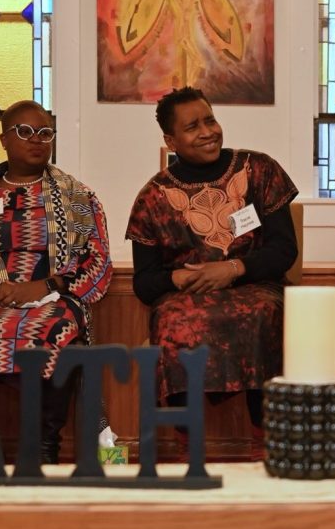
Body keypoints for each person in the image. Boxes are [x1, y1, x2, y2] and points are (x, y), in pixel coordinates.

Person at [0, 100, 112, 462]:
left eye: (45, 133)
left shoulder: (78, 197)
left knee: (57, 329)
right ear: (4, 139)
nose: (37, 140)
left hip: (52, 300)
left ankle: (44, 449)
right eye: (25, 132)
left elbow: (98, 260)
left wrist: (44, 287)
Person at [126, 87, 298, 454]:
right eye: (192, 127)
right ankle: (190, 446)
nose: (207, 131)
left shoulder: (259, 168)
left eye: (210, 120)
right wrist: (180, 278)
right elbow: (144, 283)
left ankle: (264, 445)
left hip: (258, 287)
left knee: (262, 314)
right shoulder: (152, 196)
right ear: (170, 139)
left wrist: (234, 268)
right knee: (174, 321)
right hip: (186, 297)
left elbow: (284, 251)